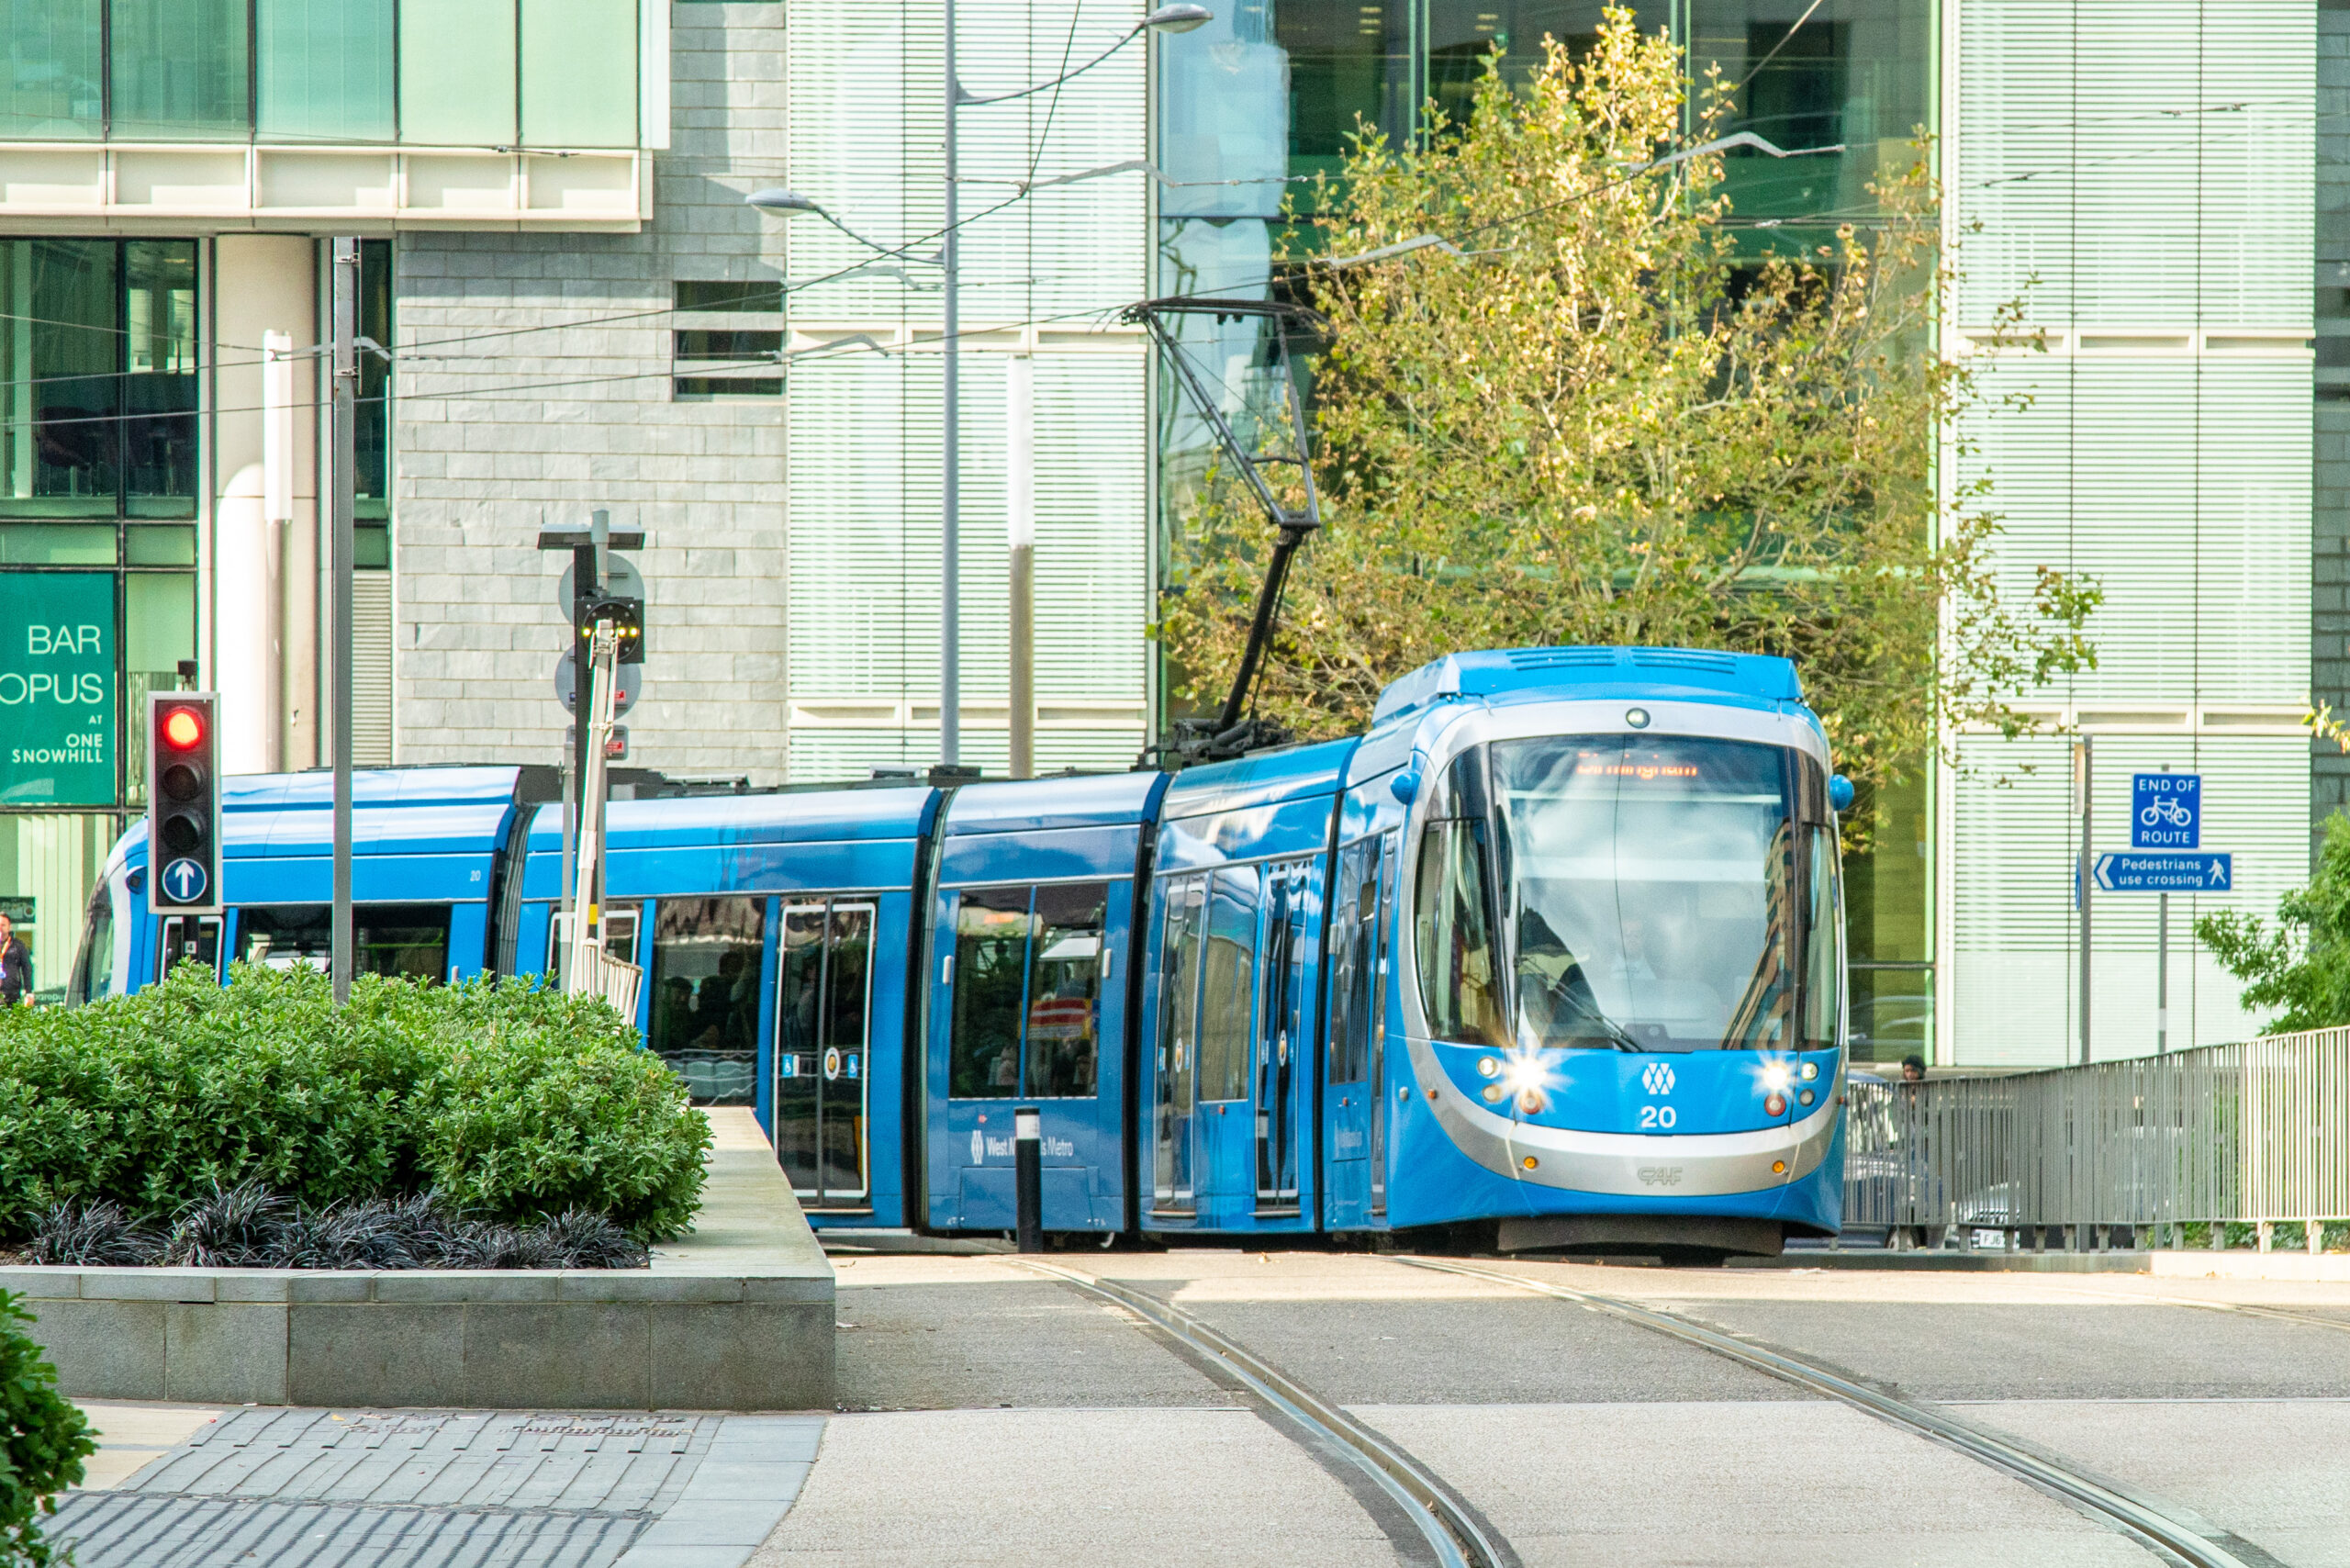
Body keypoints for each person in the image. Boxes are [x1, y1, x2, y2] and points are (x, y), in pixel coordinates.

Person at [0, 913, 29, 1006]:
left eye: (3, 925)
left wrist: (29, 992)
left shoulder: (18, 946)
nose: (0, 928)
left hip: (12, 994)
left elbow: (27, 968)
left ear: (9, 927)